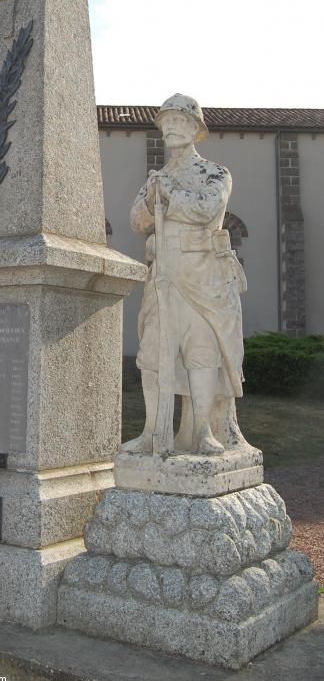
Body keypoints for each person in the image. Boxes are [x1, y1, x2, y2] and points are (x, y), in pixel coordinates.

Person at [123, 93, 248, 456]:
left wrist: (170, 194)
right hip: (163, 275)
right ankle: (151, 431)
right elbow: (136, 222)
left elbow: (207, 209)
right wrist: (152, 199)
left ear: (196, 129)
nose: (173, 127)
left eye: (180, 121)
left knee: (201, 351)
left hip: (201, 275)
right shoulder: (155, 179)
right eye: (167, 122)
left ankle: (202, 431)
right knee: (152, 352)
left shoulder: (215, 173)